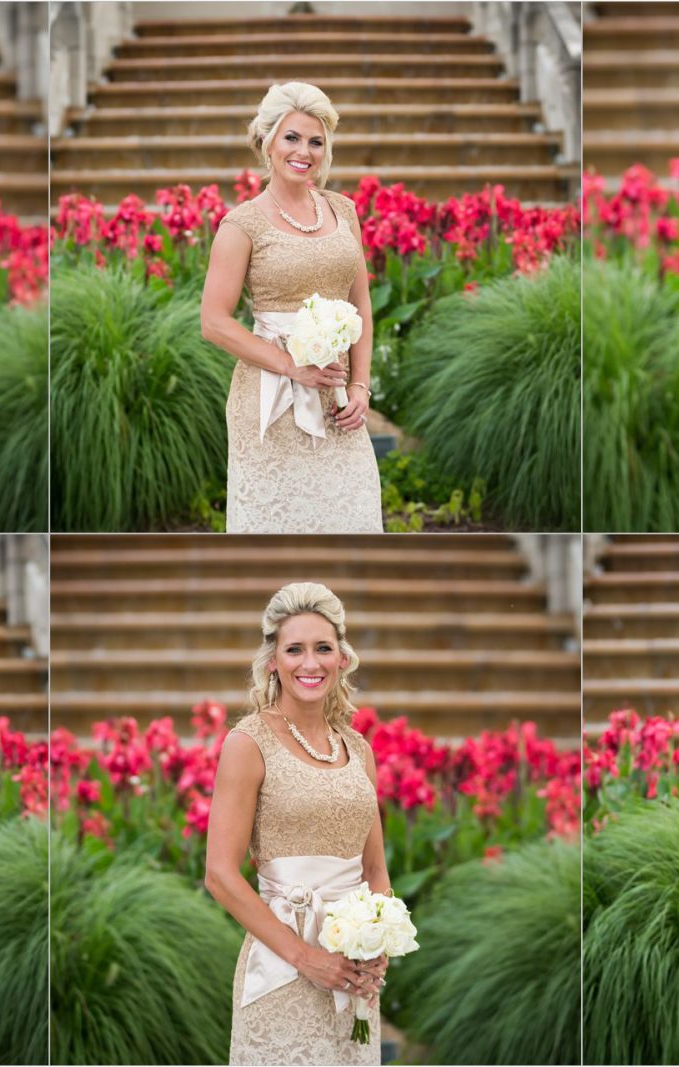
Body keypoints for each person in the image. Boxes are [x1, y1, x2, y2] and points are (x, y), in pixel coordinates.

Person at [205, 582, 391, 1065]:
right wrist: (307, 958)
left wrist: (378, 942)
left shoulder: (359, 750)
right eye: (295, 649)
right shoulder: (247, 744)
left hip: (354, 976)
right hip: (282, 973)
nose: (311, 663)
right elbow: (220, 876)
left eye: (323, 648)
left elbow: (375, 868)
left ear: (342, 658)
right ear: (273, 660)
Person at [201, 82, 384, 533]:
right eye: (292, 138)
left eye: (316, 141)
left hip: (339, 402)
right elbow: (214, 323)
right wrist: (291, 366)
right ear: (267, 142)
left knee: (351, 518)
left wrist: (361, 388)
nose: (305, 151)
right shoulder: (241, 225)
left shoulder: (344, 211)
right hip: (271, 402)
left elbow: (360, 304)